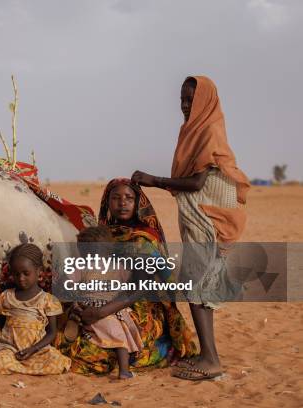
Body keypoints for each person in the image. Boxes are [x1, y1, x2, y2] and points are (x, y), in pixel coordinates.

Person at [131, 76, 250, 380]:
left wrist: (153, 180)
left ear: (205, 102)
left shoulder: (208, 131)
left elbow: (197, 182)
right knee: (199, 286)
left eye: (190, 101)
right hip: (202, 220)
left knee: (197, 286)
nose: (185, 107)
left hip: (208, 222)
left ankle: (211, 360)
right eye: (182, 101)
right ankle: (207, 354)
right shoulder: (193, 131)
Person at [56, 179, 197, 375]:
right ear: (107, 202)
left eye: (129, 198)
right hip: (97, 297)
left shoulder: (143, 239)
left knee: (102, 352)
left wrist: (100, 312)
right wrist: (77, 304)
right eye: (116, 198)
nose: (123, 203)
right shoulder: (100, 234)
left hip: (134, 304)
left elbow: (140, 287)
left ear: (138, 203)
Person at [69, 225, 144, 379]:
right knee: (119, 336)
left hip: (108, 309)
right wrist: (75, 304)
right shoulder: (82, 266)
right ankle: (124, 370)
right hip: (98, 308)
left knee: (118, 332)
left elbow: (133, 285)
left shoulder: (116, 267)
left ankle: (123, 370)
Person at [0, 243, 71, 375]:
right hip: (11, 349)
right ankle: (22, 368)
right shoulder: (6, 297)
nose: (21, 278)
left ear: (39, 271)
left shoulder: (48, 300)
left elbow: (51, 333)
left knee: (56, 361)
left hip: (37, 350)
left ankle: (21, 368)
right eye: (16, 274)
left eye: (26, 273)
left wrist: (33, 349)